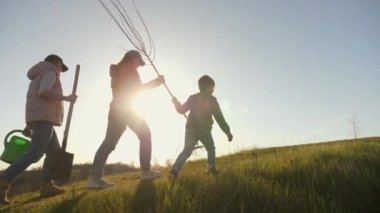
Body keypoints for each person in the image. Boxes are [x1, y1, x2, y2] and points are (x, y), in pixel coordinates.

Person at [0, 54, 78, 204]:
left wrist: (29, 124)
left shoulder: (39, 74)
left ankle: (47, 185)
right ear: (57, 63)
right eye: (61, 67)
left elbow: (35, 102)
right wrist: (66, 98)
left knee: (54, 152)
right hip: (44, 120)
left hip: (42, 120)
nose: (61, 71)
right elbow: (43, 92)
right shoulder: (50, 72)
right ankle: (3, 180)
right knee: (35, 154)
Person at [88, 50, 165, 189]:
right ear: (133, 59)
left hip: (116, 110)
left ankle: (95, 178)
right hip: (127, 109)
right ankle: (146, 172)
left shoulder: (116, 70)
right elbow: (138, 90)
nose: (138, 66)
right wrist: (157, 82)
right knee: (145, 135)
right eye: (138, 63)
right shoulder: (130, 70)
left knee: (109, 143)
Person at [169, 75, 233, 180]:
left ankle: (175, 170)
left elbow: (181, 110)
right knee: (211, 148)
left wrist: (176, 103)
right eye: (212, 87)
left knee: (186, 151)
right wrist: (228, 132)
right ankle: (211, 168)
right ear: (207, 87)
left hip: (190, 129)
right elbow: (220, 118)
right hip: (204, 130)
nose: (213, 90)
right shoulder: (212, 100)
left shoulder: (192, 97)